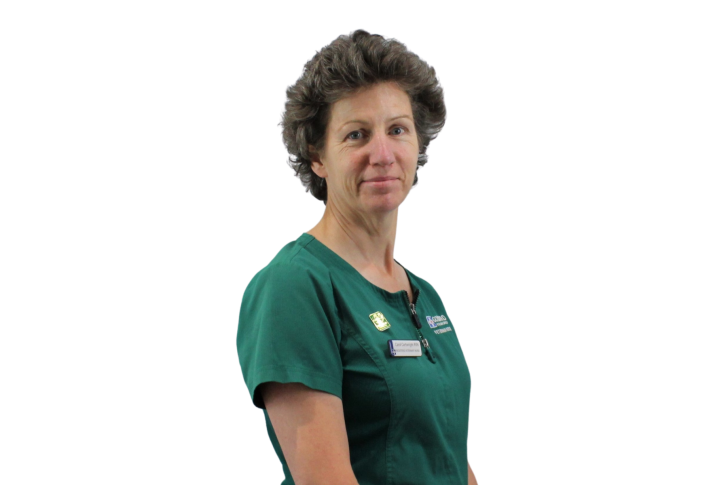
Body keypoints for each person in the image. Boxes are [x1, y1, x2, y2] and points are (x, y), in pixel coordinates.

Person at [236, 29, 476, 485]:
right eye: (356, 135)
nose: (382, 154)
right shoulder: (294, 286)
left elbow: (450, 459)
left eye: (397, 130)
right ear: (317, 156)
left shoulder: (424, 294)